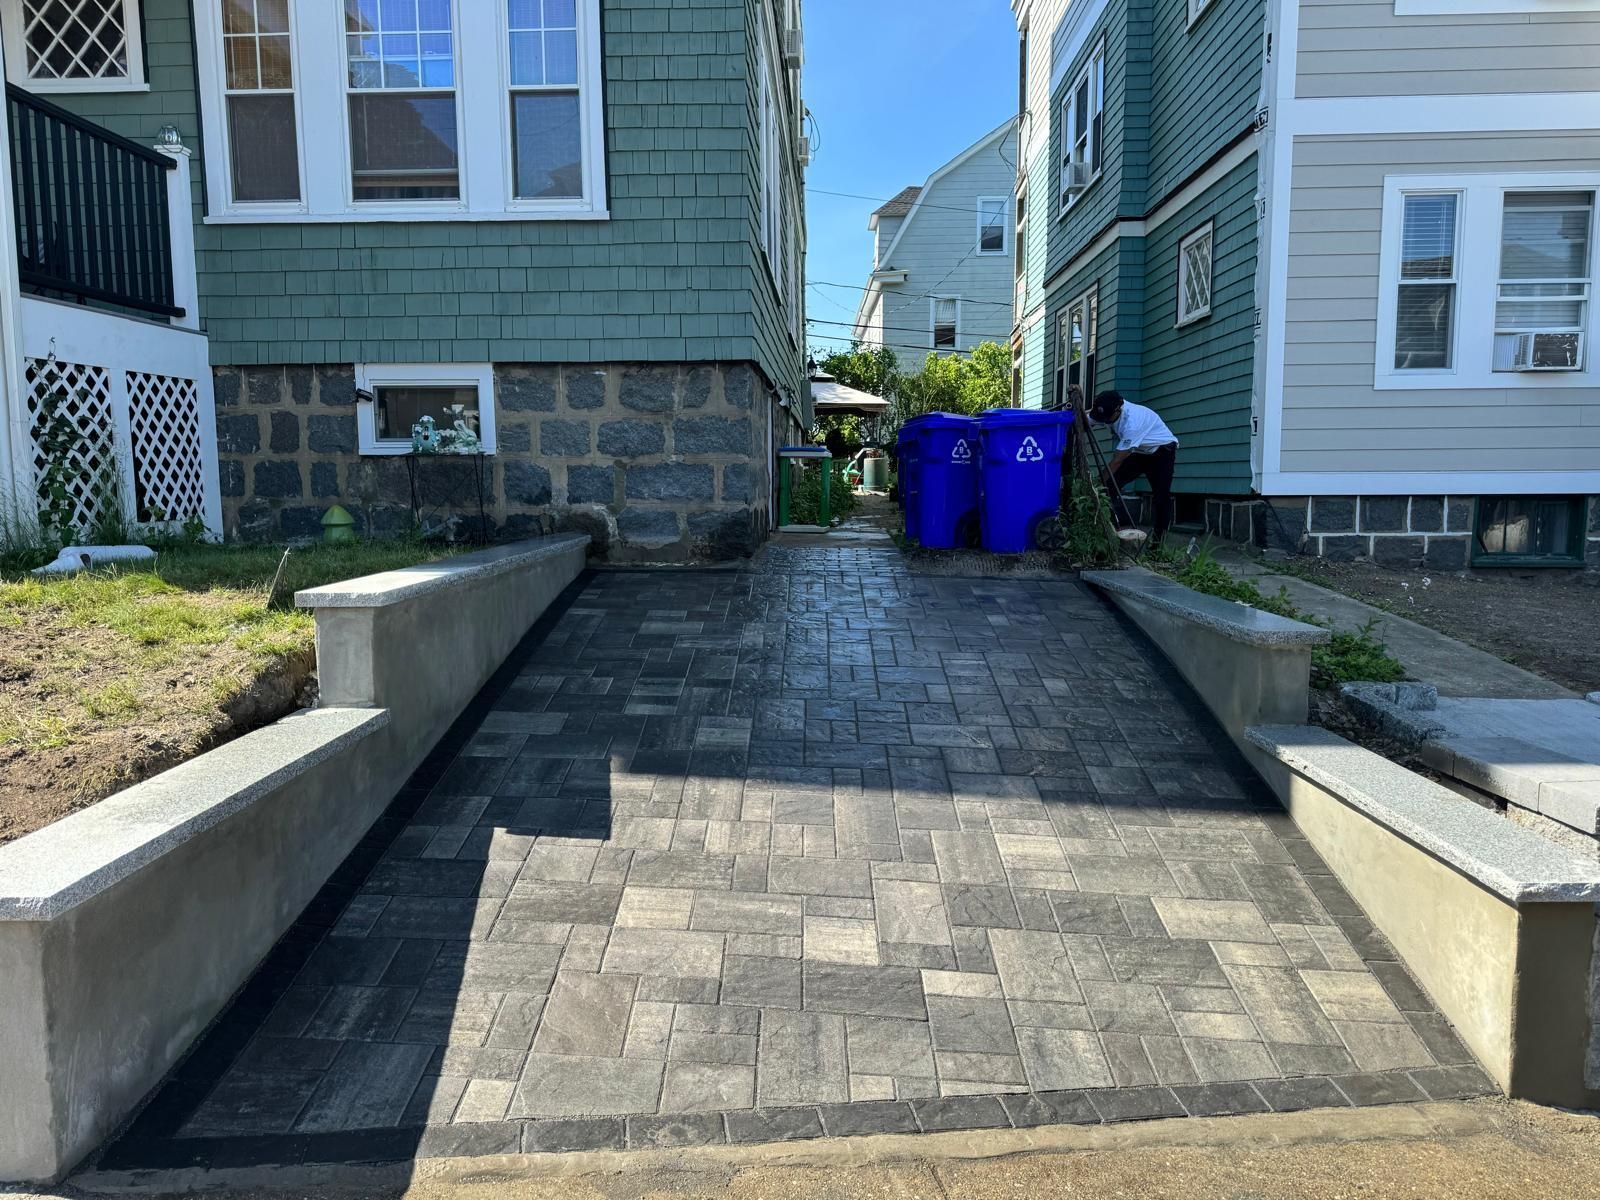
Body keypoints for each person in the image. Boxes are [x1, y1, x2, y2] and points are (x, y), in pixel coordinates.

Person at [1088, 390, 1179, 544]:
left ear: (1118, 409)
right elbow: (1085, 419)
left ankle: (1158, 542)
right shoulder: (1105, 409)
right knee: (1110, 486)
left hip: (1162, 452)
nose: (1105, 422)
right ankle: (1108, 531)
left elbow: (1117, 460)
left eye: (1107, 419)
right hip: (1140, 450)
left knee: (1161, 496)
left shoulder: (1133, 423)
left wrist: (1097, 483)